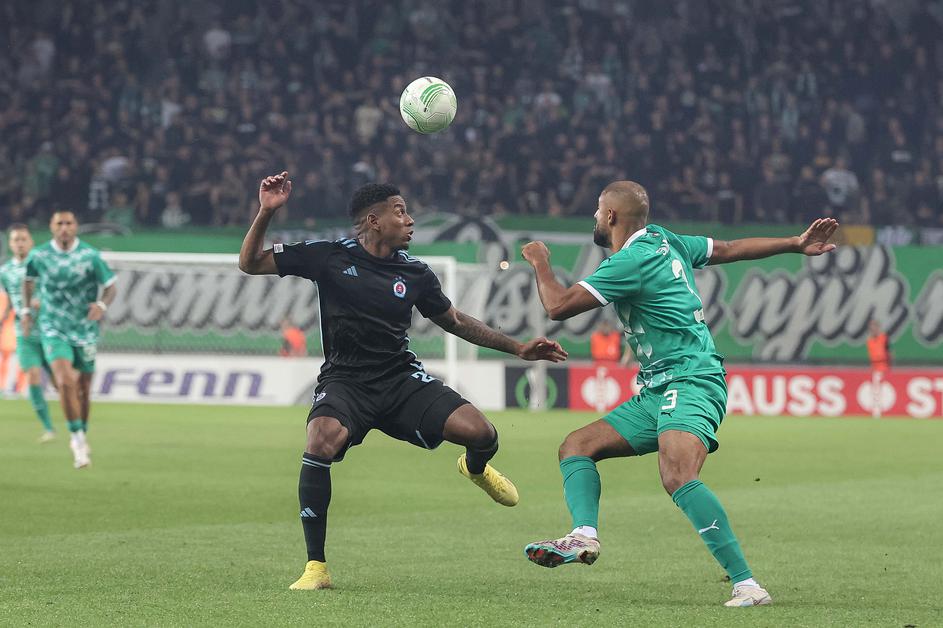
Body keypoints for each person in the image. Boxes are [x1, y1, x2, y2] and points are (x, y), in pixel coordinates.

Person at [239, 171, 568, 591]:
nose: (410, 220)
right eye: (400, 212)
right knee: (319, 441)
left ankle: (474, 468)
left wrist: (518, 348)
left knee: (483, 434)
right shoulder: (328, 256)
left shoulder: (416, 274)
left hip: (400, 380)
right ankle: (316, 567)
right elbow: (250, 263)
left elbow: (455, 321)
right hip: (346, 381)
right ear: (373, 221)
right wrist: (266, 211)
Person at [520, 180, 839, 608]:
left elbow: (558, 306)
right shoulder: (665, 239)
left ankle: (747, 584)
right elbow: (728, 248)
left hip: (691, 379)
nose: (594, 217)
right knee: (577, 446)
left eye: (598, 210)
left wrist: (540, 260)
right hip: (659, 387)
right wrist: (794, 243)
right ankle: (583, 535)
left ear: (610, 216)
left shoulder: (630, 260)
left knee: (677, 475)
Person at [21, 211, 117, 469]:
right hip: (53, 327)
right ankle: (76, 439)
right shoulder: (39, 255)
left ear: (76, 227)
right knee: (64, 381)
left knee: (84, 389)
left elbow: (111, 286)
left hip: (84, 329)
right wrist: (27, 311)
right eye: (59, 223)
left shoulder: (90, 256)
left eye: (69, 223)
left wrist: (101, 305)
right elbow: (27, 282)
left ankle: (82, 431)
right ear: (51, 227)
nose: (64, 227)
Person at [0, 224, 55, 441]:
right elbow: (9, 301)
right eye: (16, 240)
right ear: (10, 244)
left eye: (23, 239)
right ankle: (48, 428)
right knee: (32, 375)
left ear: (31, 242)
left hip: (50, 330)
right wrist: (3, 319)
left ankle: (76, 421)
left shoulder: (42, 265)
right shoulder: (5, 272)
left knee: (60, 380)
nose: (20, 243)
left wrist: (42, 302)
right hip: (24, 333)